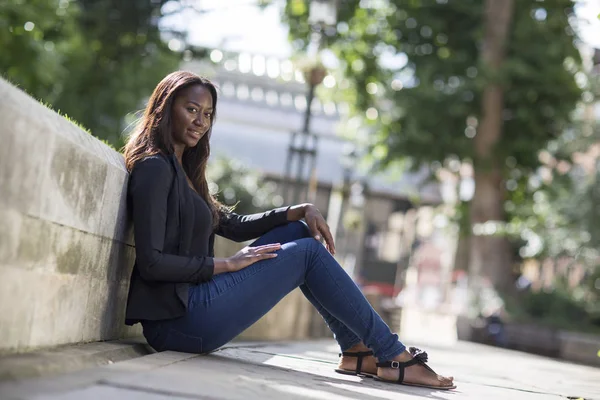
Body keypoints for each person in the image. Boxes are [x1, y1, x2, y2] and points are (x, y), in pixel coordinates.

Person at [122, 71, 455, 390]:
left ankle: (355, 351)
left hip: (193, 305)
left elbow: (232, 226)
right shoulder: (154, 168)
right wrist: (227, 264)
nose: (200, 121)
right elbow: (152, 262)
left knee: (299, 231)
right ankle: (393, 355)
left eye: (207, 114)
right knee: (308, 255)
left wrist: (298, 210)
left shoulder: (185, 170)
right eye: (191, 110)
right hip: (178, 322)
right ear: (166, 108)